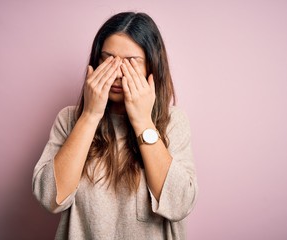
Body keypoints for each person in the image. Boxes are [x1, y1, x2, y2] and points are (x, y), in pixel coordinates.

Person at [32, 11, 198, 240]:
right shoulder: (69, 119)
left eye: (130, 62)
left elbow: (180, 204)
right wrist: (90, 115)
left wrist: (142, 121)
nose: (117, 73)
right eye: (108, 59)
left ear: (152, 67)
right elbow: (50, 198)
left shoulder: (173, 122)